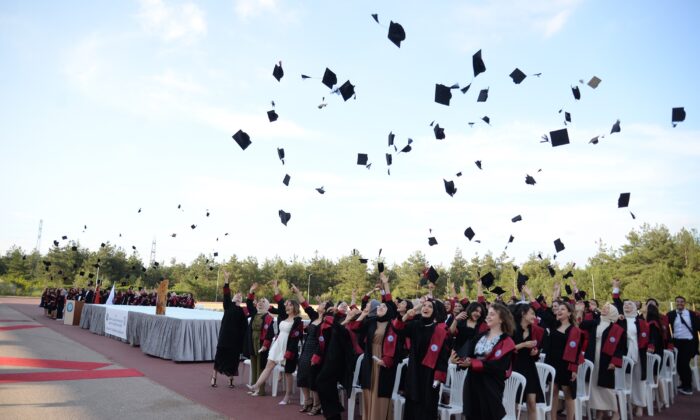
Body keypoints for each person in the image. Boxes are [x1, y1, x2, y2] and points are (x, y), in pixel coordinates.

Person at [348, 273, 400, 420]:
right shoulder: (371, 321)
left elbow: (389, 302)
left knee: (380, 390)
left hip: (384, 361)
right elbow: (355, 328)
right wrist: (363, 314)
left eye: (383, 306)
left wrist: (385, 285)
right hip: (370, 358)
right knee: (368, 389)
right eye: (379, 306)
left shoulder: (393, 324)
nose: (380, 307)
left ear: (389, 311)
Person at [392, 298, 450, 420]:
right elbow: (397, 328)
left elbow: (443, 356)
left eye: (430, 306)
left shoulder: (439, 330)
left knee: (427, 407)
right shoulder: (414, 325)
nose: (426, 308)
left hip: (430, 374)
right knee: (412, 405)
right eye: (424, 305)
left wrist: (438, 377)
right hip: (414, 371)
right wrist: (408, 314)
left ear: (434, 312)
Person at [456, 302, 516, 420]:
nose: (487, 316)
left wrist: (473, 363)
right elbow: (467, 354)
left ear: (501, 319)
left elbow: (499, 367)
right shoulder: (480, 336)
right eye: (488, 313)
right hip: (472, 384)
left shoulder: (507, 342)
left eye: (492, 314)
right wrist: (459, 360)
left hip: (490, 388)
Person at [247, 280, 304, 405]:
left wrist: (289, 352)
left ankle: (287, 395)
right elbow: (280, 303)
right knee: (268, 367)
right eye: (286, 305)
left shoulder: (298, 321)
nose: (286, 306)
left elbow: (296, 338)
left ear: (294, 307)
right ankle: (255, 385)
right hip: (278, 345)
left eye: (289, 305)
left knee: (288, 373)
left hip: (289, 348)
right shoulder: (283, 317)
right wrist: (275, 289)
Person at [582, 302, 626, 420]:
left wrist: (614, 361)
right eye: (604, 307)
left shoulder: (616, 328)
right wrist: (579, 311)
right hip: (593, 356)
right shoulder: (595, 322)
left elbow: (621, 348)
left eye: (608, 308)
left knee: (606, 387)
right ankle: (600, 412)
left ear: (612, 312)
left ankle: (615, 411)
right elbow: (581, 324)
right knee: (594, 385)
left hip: (606, 359)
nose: (605, 309)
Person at [611, 280, 648, 415]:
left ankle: (639, 404)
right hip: (624, 354)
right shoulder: (620, 320)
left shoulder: (640, 322)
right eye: (625, 304)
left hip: (638, 353)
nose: (626, 306)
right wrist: (615, 288)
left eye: (629, 304)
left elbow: (645, 338)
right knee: (624, 380)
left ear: (634, 307)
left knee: (639, 379)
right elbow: (616, 302)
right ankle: (624, 405)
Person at [543, 300, 583, 420]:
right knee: (553, 393)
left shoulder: (574, 330)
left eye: (563, 309)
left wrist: (574, 369)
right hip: (552, 363)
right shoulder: (553, 326)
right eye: (558, 309)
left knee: (568, 394)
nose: (559, 311)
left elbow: (577, 351)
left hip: (566, 365)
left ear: (570, 313)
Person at [294, 287, 329, 415]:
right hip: (305, 349)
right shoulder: (314, 317)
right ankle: (307, 401)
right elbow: (305, 305)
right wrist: (298, 292)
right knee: (302, 376)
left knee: (312, 379)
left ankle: (317, 404)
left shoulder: (326, 322)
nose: (320, 304)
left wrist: (317, 355)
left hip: (316, 352)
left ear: (326, 310)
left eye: (323, 304)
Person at [211, 271, 248, 388]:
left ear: (242, 300)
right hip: (224, 337)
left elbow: (247, 320)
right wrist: (226, 280)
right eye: (236, 295)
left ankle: (231, 379)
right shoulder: (228, 305)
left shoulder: (243, 310)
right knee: (219, 356)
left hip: (235, 340)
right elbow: (226, 293)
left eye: (240, 296)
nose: (238, 296)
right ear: (233, 298)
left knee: (233, 359)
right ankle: (214, 377)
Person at [509, 300, 545, 420]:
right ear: (523, 314)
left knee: (532, 402)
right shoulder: (512, 329)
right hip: (515, 367)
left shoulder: (534, 330)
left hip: (529, 367)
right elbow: (507, 349)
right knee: (514, 402)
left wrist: (535, 352)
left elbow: (537, 350)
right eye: (532, 314)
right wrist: (524, 344)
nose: (534, 317)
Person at [243, 282, 275, 396]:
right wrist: (251, 291)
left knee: (261, 366)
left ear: (267, 306)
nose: (260, 304)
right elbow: (249, 304)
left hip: (261, 344)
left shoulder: (268, 318)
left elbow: (270, 334)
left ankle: (260, 390)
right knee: (254, 365)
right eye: (259, 302)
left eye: (263, 302)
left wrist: (265, 345)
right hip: (252, 342)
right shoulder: (255, 314)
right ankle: (254, 387)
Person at [667, 295, 700, 395]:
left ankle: (688, 386)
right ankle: (683, 383)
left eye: (682, 301)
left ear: (684, 303)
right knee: (678, 364)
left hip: (689, 342)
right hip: (677, 342)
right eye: (678, 301)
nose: (680, 303)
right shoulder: (671, 314)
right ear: (675, 303)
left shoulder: (692, 314)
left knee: (684, 363)